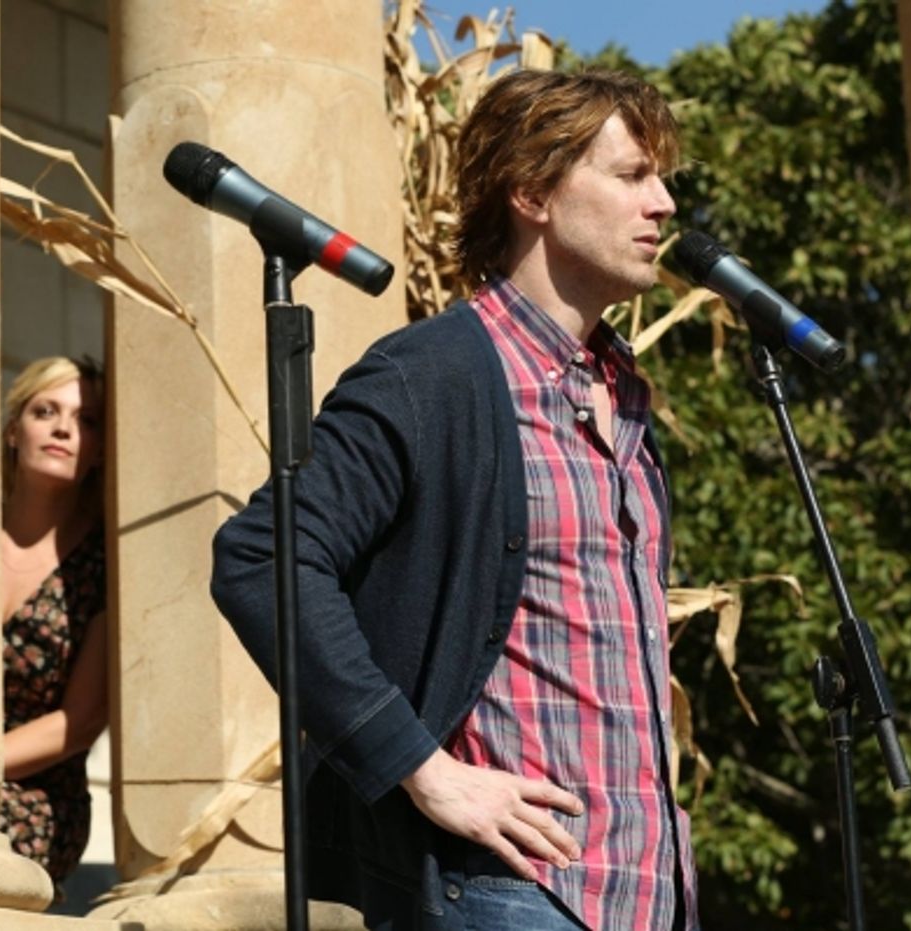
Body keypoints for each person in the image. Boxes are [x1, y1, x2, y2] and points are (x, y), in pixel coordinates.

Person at [211, 68, 699, 930]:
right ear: (532, 193)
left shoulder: (626, 397)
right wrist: (422, 769)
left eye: (661, 180)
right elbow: (265, 554)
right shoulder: (432, 375)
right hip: (509, 891)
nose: (662, 203)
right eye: (631, 177)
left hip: (649, 891)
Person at [0, 356, 109, 894]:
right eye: (46, 411)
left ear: (100, 451)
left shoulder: (104, 563)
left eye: (86, 420)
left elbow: (81, 721)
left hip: (38, 798)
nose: (64, 427)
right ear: (13, 431)